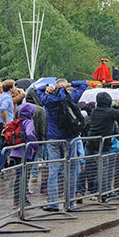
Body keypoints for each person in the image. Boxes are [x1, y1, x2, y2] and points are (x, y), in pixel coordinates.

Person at [35, 78, 89, 211]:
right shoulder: (71, 97)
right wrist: (70, 84)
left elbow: (36, 90)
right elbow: (84, 83)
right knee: (71, 171)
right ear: (64, 86)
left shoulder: (47, 100)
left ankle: (53, 203)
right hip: (70, 139)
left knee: (53, 171)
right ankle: (69, 203)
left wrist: (47, 87)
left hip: (53, 139)